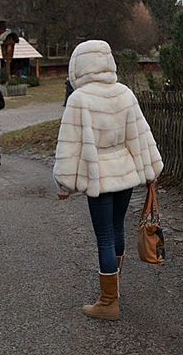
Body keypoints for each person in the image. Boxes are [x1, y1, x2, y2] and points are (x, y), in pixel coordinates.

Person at [53, 40, 163, 321]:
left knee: (104, 236)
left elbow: (69, 146)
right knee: (116, 229)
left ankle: (108, 301)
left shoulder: (79, 99)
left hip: (98, 176)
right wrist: (151, 170)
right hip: (124, 174)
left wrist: (65, 183)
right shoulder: (124, 94)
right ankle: (114, 287)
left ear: (78, 66)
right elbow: (140, 136)